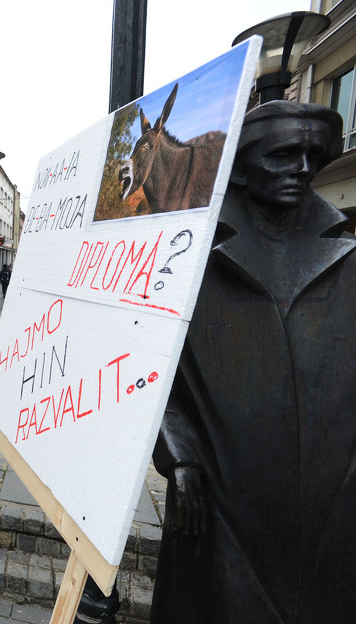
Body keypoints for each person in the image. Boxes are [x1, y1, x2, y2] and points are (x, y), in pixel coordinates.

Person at [151, 101, 356, 623]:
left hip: (331, 507)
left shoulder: (348, 257)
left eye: (314, 154)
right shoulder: (188, 254)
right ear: (242, 166)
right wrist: (179, 456)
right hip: (223, 504)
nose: (304, 169)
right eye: (283, 155)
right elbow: (148, 368)